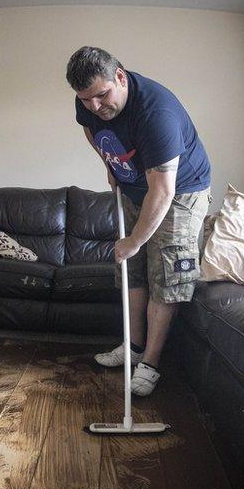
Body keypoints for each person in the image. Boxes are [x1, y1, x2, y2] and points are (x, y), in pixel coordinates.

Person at [67, 46, 211, 396]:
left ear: (120, 76)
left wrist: (134, 242)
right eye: (86, 100)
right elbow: (91, 128)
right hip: (135, 187)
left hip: (180, 194)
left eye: (102, 96)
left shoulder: (156, 113)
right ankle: (131, 348)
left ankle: (150, 363)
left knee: (166, 274)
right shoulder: (88, 102)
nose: (95, 107)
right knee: (132, 271)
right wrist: (109, 165)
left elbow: (162, 192)